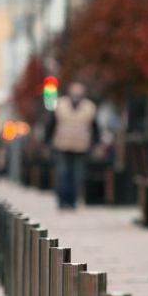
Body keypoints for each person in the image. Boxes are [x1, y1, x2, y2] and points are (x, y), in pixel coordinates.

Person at [45, 81, 99, 209]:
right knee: (62, 173)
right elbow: (51, 124)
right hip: (62, 145)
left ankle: (73, 200)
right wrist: (47, 142)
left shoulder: (89, 107)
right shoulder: (60, 105)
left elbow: (95, 127)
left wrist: (96, 144)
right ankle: (62, 200)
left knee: (77, 174)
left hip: (81, 146)